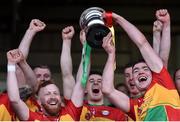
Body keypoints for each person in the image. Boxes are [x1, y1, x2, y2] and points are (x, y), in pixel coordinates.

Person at [101, 10, 180, 121]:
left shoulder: (162, 84)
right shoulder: (136, 106)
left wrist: (118, 18)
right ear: (133, 80)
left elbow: (142, 43)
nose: (140, 72)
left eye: (145, 68)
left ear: (153, 73)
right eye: (136, 71)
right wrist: (110, 54)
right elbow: (107, 89)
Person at [60, 26, 126, 121]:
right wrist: (67, 41)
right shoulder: (75, 107)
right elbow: (67, 75)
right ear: (85, 88)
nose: (96, 83)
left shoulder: (118, 114)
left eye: (99, 81)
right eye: (91, 80)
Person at [6, 49, 84, 121]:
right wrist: (11, 64)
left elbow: (81, 82)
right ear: (39, 102)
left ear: (61, 98)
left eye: (56, 93)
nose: (53, 96)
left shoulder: (71, 113)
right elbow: (14, 100)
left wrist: (87, 47)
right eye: (48, 94)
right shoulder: (33, 118)